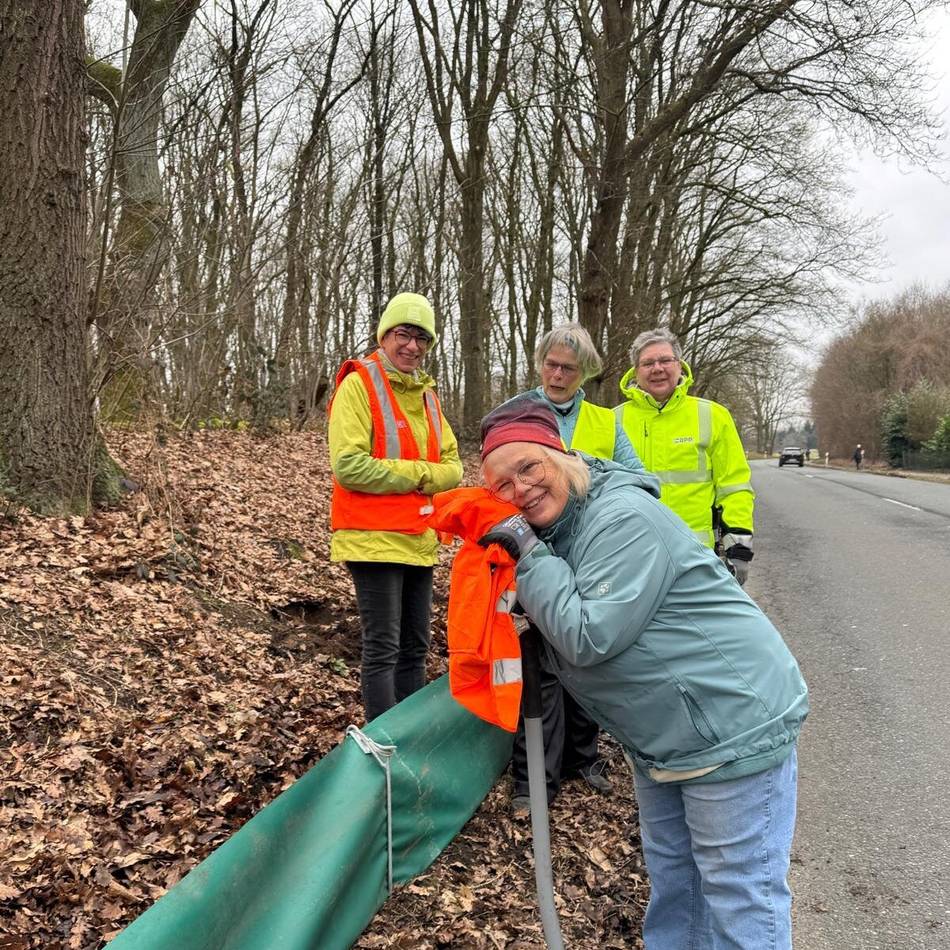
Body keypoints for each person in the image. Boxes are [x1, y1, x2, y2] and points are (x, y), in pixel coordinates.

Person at [477, 395, 808, 950]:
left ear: (561, 454)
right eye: (501, 486)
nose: (520, 490)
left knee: (737, 894)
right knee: (677, 884)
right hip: (664, 739)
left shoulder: (621, 518)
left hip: (730, 726)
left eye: (528, 466)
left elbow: (588, 635)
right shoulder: (562, 531)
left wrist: (529, 558)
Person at [507, 324, 660, 817]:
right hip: (537, 554)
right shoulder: (517, 413)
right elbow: (498, 481)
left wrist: (589, 473)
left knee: (588, 660)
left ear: (585, 374)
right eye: (550, 364)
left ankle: (584, 759)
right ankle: (534, 780)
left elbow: (641, 479)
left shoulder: (603, 421)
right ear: (539, 363)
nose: (556, 374)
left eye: (568, 368)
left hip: (591, 553)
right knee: (541, 667)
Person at [328, 292, 462, 721]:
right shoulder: (359, 383)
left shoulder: (427, 395)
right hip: (371, 538)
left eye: (422, 338)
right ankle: (382, 745)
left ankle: (410, 736)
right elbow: (349, 466)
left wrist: (423, 475)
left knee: (416, 646)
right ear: (384, 335)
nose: (412, 346)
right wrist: (420, 475)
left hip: (418, 538)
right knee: (383, 647)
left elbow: (454, 468)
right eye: (403, 334)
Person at [615, 328, 755, 585]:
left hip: (696, 558)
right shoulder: (613, 420)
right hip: (631, 557)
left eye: (665, 360)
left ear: (680, 365)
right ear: (635, 371)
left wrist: (739, 545)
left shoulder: (713, 416)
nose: (657, 368)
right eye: (647, 363)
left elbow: (734, 486)